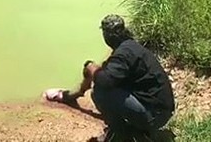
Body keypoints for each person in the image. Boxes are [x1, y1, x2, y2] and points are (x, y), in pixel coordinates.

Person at [61, 14, 175, 142]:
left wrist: (90, 66)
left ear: (106, 35)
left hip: (154, 116)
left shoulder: (123, 54)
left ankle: (119, 133)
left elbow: (104, 81)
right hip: (162, 111)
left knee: (100, 91)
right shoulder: (130, 46)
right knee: (109, 82)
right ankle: (135, 130)